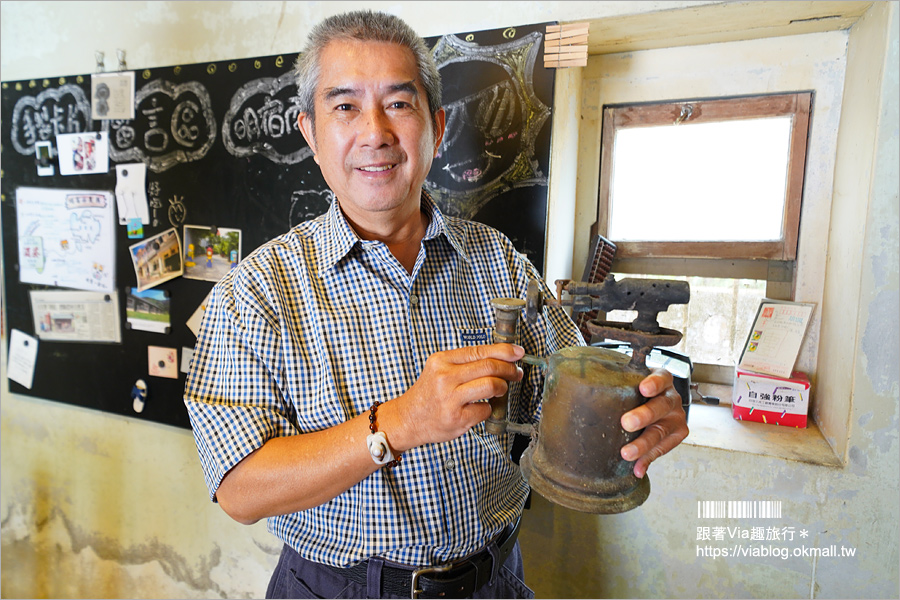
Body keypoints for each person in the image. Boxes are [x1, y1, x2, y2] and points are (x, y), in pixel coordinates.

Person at [184, 10, 688, 599]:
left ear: (437, 126)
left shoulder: (497, 260)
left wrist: (635, 407)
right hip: (340, 589)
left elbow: (567, 386)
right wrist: (399, 423)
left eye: (399, 103)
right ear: (310, 134)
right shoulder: (257, 292)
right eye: (344, 106)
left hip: (495, 580)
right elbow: (239, 491)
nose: (375, 132)